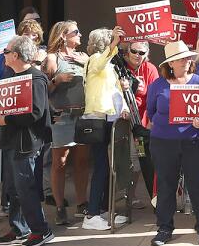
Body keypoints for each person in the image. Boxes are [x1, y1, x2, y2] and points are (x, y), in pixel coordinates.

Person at [145, 41, 199, 246]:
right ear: (170, 63)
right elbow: (152, 112)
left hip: (194, 142)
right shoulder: (157, 85)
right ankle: (164, 228)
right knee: (166, 185)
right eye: (180, 58)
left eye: (187, 57)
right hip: (163, 143)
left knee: (198, 184)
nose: (186, 60)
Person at [0, 36, 55, 246]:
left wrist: (6, 119)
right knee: (12, 188)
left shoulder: (36, 79)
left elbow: (35, 113)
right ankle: (19, 228)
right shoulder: (12, 76)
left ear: (16, 55)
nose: (4, 54)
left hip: (27, 142)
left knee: (25, 187)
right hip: (12, 140)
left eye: (6, 51)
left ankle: (41, 230)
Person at [81, 27, 129, 231]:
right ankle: (91, 214)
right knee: (101, 165)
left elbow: (114, 90)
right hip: (97, 117)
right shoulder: (94, 60)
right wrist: (113, 45)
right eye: (111, 40)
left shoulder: (109, 64)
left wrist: (124, 106)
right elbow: (100, 64)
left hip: (110, 117)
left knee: (109, 166)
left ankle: (103, 209)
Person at [42, 20, 89, 225]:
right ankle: (60, 206)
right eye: (75, 32)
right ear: (63, 36)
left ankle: (82, 203)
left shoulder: (84, 57)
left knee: (82, 161)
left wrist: (85, 64)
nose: (80, 34)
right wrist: (57, 80)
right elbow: (42, 91)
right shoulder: (52, 58)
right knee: (59, 163)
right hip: (62, 116)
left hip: (82, 114)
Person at [118, 40, 158, 205]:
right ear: (127, 52)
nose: (137, 55)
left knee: (140, 159)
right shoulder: (119, 67)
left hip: (141, 125)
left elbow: (154, 96)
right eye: (134, 51)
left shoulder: (150, 69)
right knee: (123, 160)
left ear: (146, 55)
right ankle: (126, 196)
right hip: (121, 122)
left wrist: (150, 121)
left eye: (141, 53)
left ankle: (135, 196)